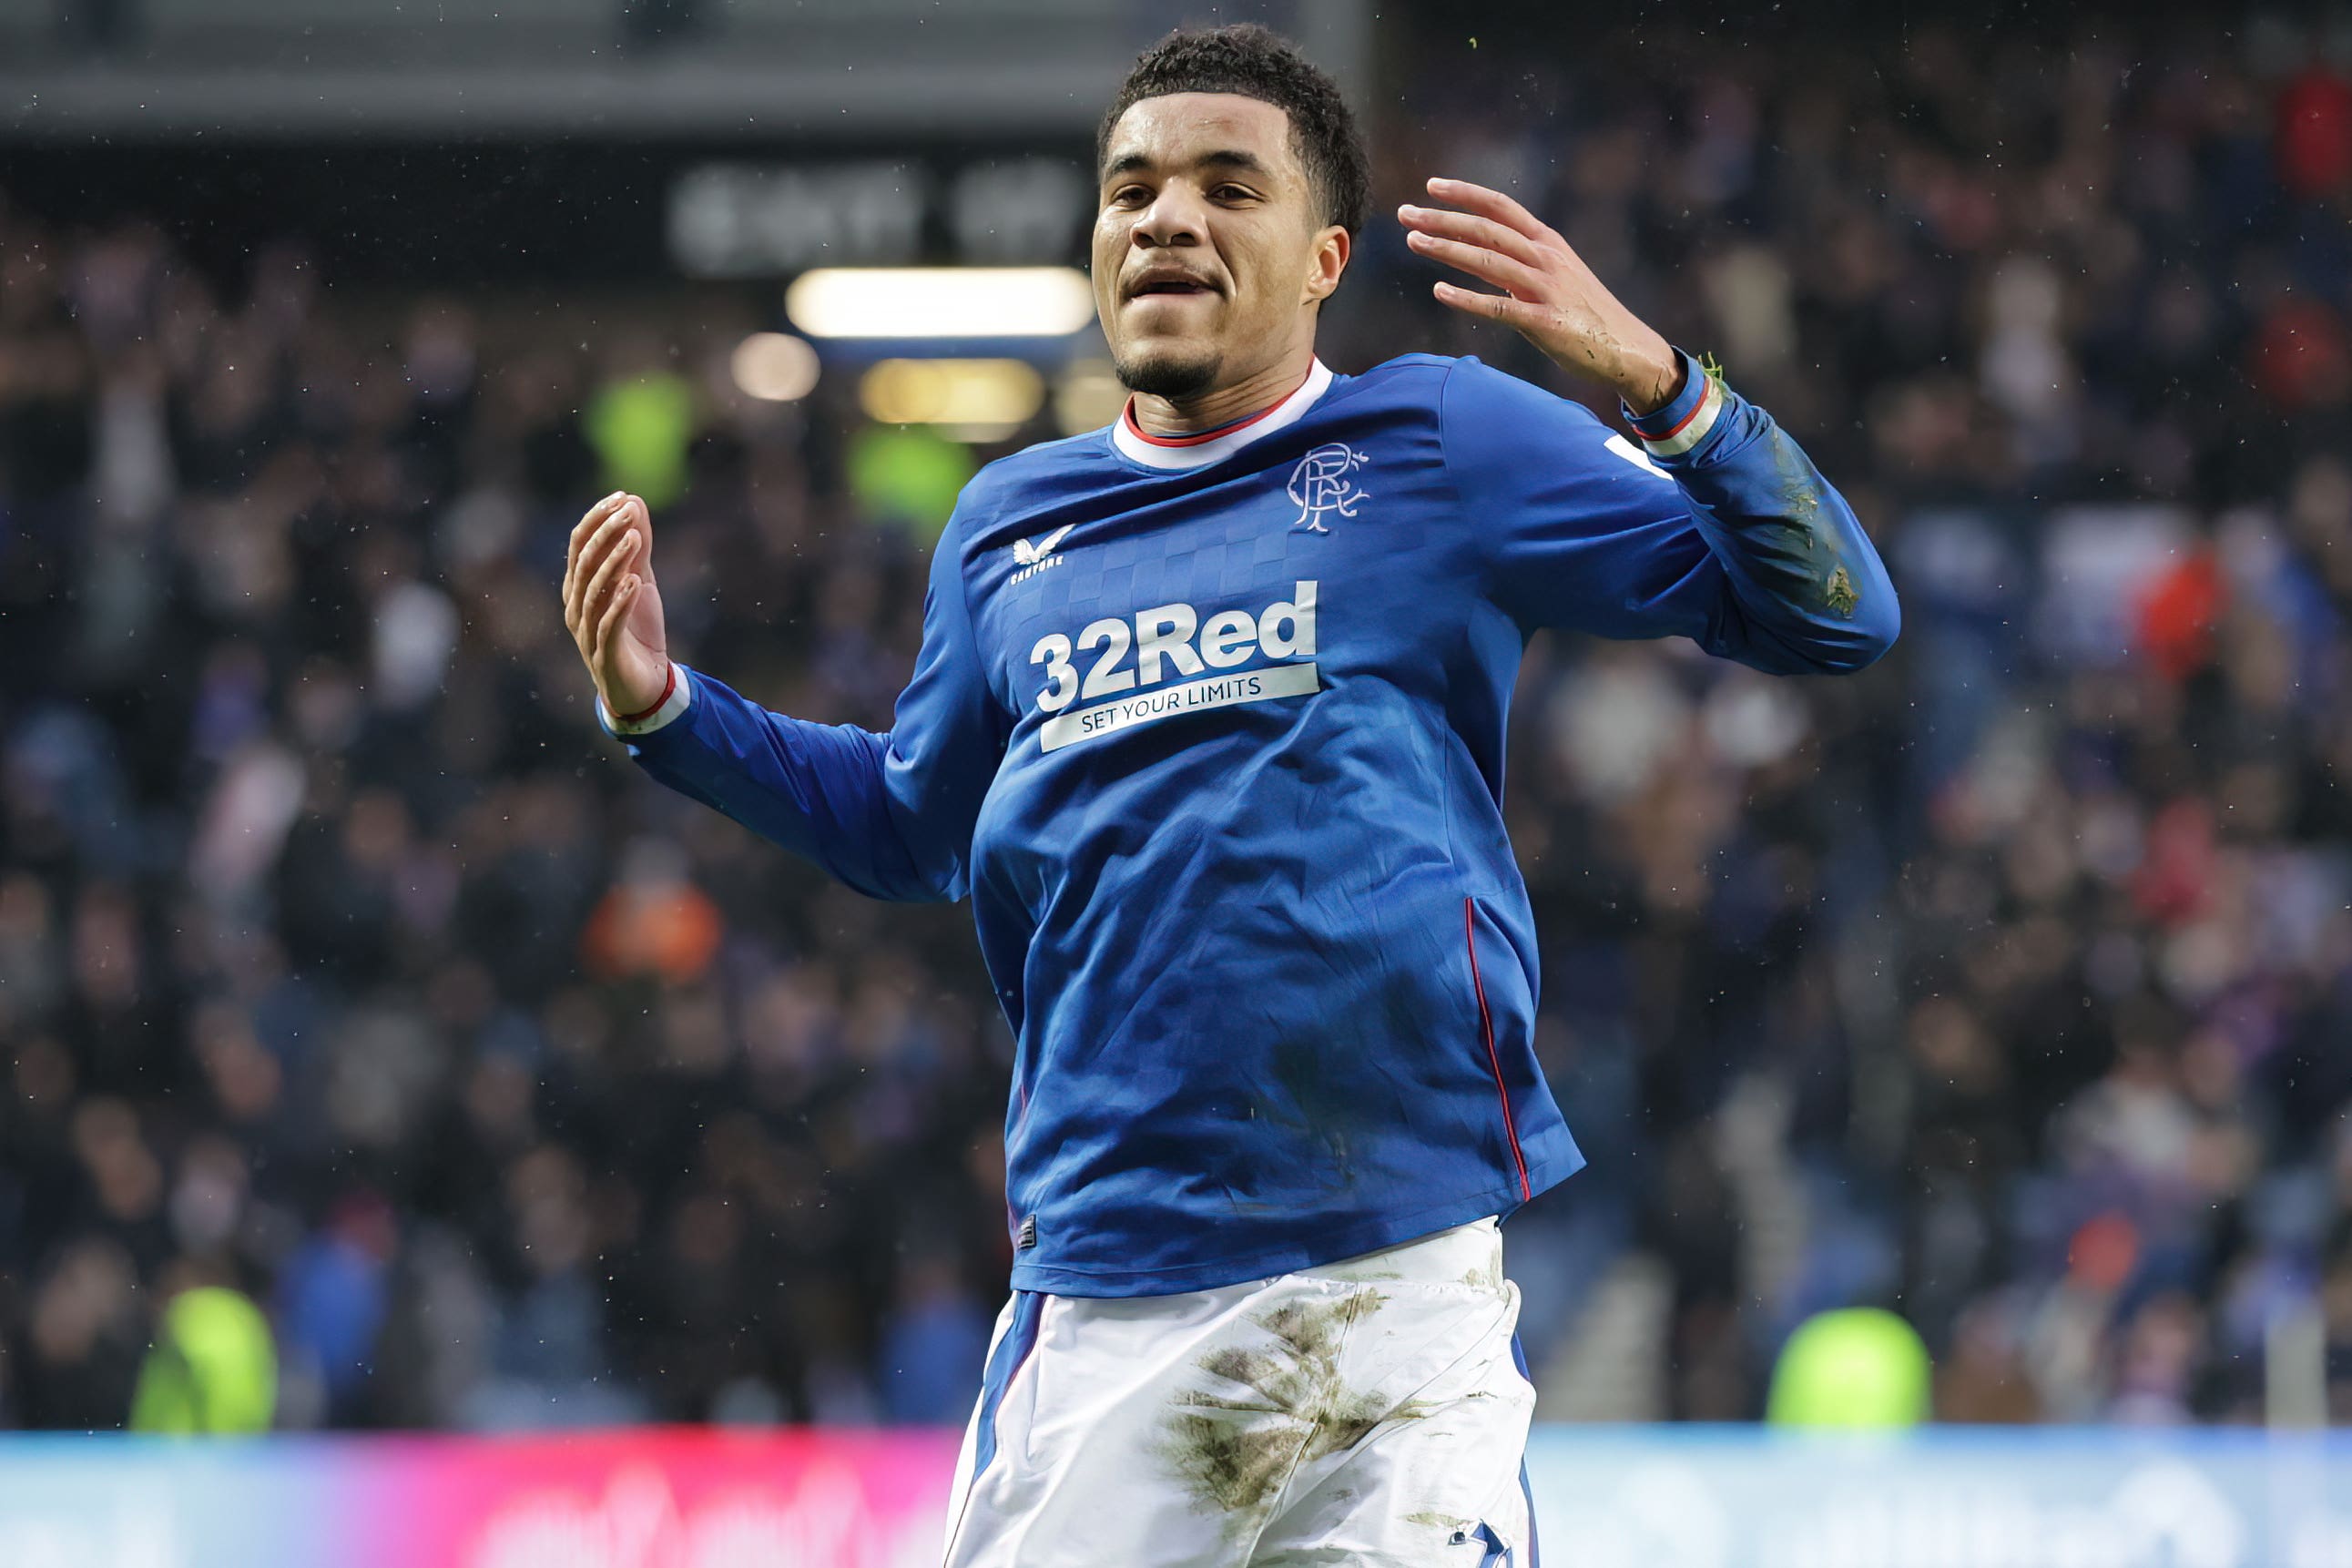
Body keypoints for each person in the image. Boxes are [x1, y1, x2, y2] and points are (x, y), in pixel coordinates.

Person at [561, 23, 1897, 1565]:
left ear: (1325, 255)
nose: (1166, 217)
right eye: (1131, 188)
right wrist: (669, 709)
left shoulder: (1444, 440)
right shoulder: (1009, 528)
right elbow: (909, 827)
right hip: (1110, 1305)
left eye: (1223, 185)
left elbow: (1838, 613)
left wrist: (1664, 385)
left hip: (1398, 1291)